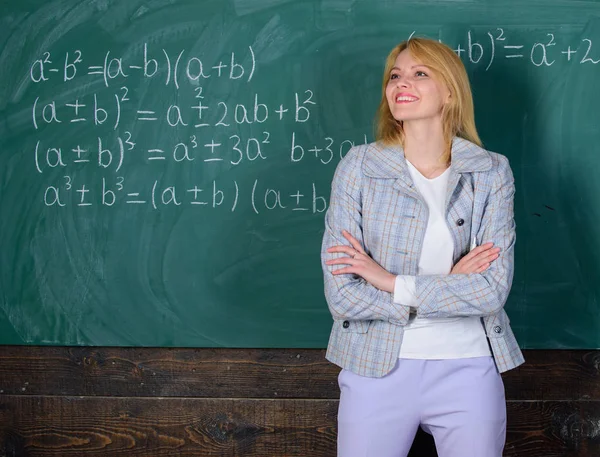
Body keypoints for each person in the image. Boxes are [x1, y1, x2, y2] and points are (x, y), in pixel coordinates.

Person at [320, 37, 525, 457]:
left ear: (450, 91)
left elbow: (490, 290)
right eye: (394, 75)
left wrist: (388, 280)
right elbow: (342, 295)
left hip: (468, 368)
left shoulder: (491, 172)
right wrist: (446, 284)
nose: (401, 83)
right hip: (375, 367)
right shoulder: (359, 167)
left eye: (419, 74)